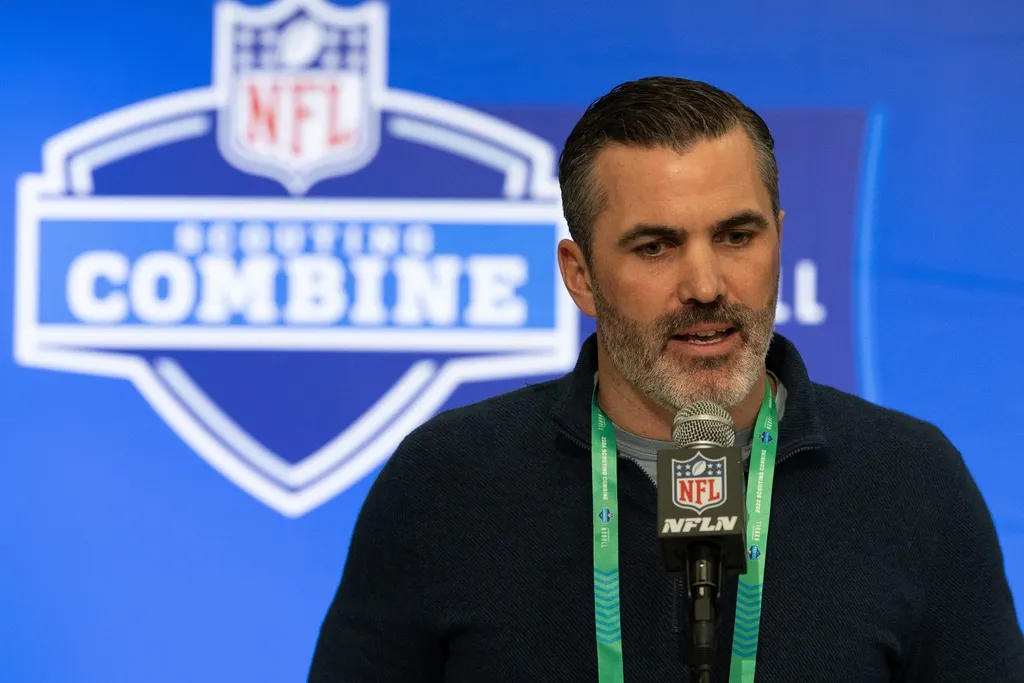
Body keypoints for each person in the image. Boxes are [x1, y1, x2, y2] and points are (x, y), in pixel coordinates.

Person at [307, 77, 1024, 682]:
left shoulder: (912, 481)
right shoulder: (446, 482)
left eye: (737, 236)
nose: (706, 284)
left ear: (779, 237)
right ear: (580, 275)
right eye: (656, 246)